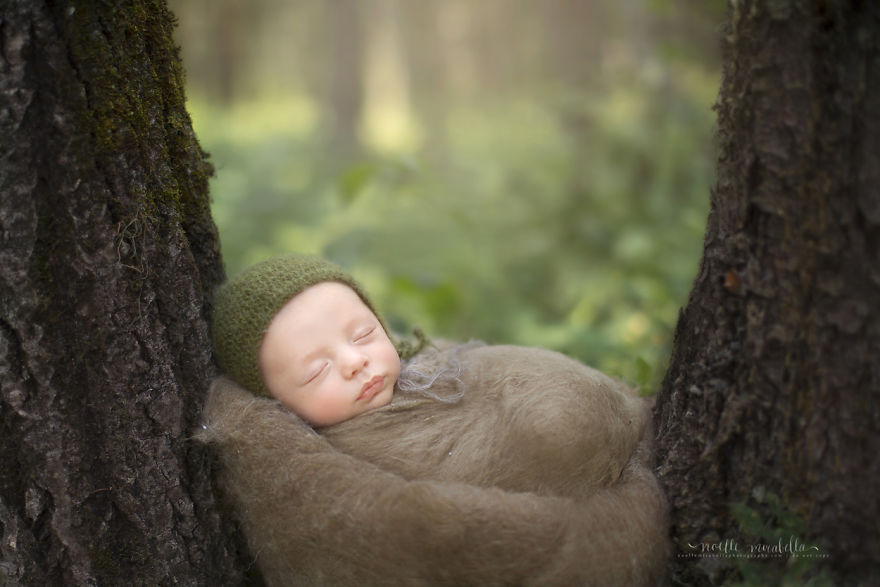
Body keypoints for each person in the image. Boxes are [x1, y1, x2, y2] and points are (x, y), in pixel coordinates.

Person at [200, 254, 670, 585]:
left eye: (363, 334)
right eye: (316, 371)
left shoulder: (431, 367)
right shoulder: (330, 456)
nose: (354, 362)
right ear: (277, 404)